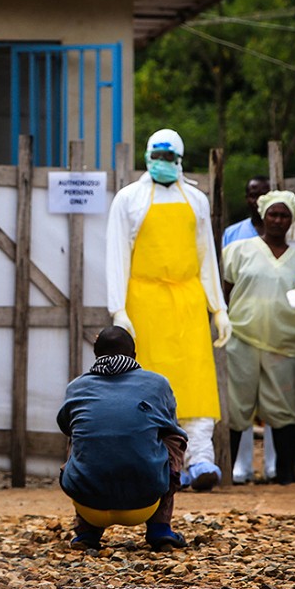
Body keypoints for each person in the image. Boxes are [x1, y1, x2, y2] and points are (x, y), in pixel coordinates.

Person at [106, 128, 232, 492]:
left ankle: (201, 458)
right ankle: (155, 462)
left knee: (197, 379)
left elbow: (207, 254)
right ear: (147, 157)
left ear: (179, 160)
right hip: (143, 301)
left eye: (168, 157)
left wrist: (217, 308)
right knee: (145, 383)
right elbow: (117, 255)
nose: (162, 163)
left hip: (189, 301)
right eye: (156, 156)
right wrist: (119, 309)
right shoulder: (128, 199)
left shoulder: (196, 199)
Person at [57, 327, 188, 552]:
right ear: (134, 356)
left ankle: (87, 530)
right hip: (145, 500)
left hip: (89, 502)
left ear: (96, 356)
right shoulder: (157, 384)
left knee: (78, 435)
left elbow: (65, 426)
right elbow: (169, 425)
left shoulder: (76, 387)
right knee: (173, 437)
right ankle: (160, 528)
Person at [221, 191, 295, 485]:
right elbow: (225, 289)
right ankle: (229, 472)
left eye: (284, 215)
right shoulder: (239, 250)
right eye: (273, 214)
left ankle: (285, 476)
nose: (278, 220)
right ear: (263, 215)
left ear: (291, 221)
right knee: (236, 407)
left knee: (283, 409)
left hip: (285, 344)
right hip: (241, 338)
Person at [222, 175, 277, 484]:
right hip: (241, 327)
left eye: (264, 193)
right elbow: (226, 281)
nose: (258, 199)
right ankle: (241, 466)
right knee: (240, 399)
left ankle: (273, 465)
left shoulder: (283, 229)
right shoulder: (233, 234)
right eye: (253, 194)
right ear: (246, 199)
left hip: (276, 326)